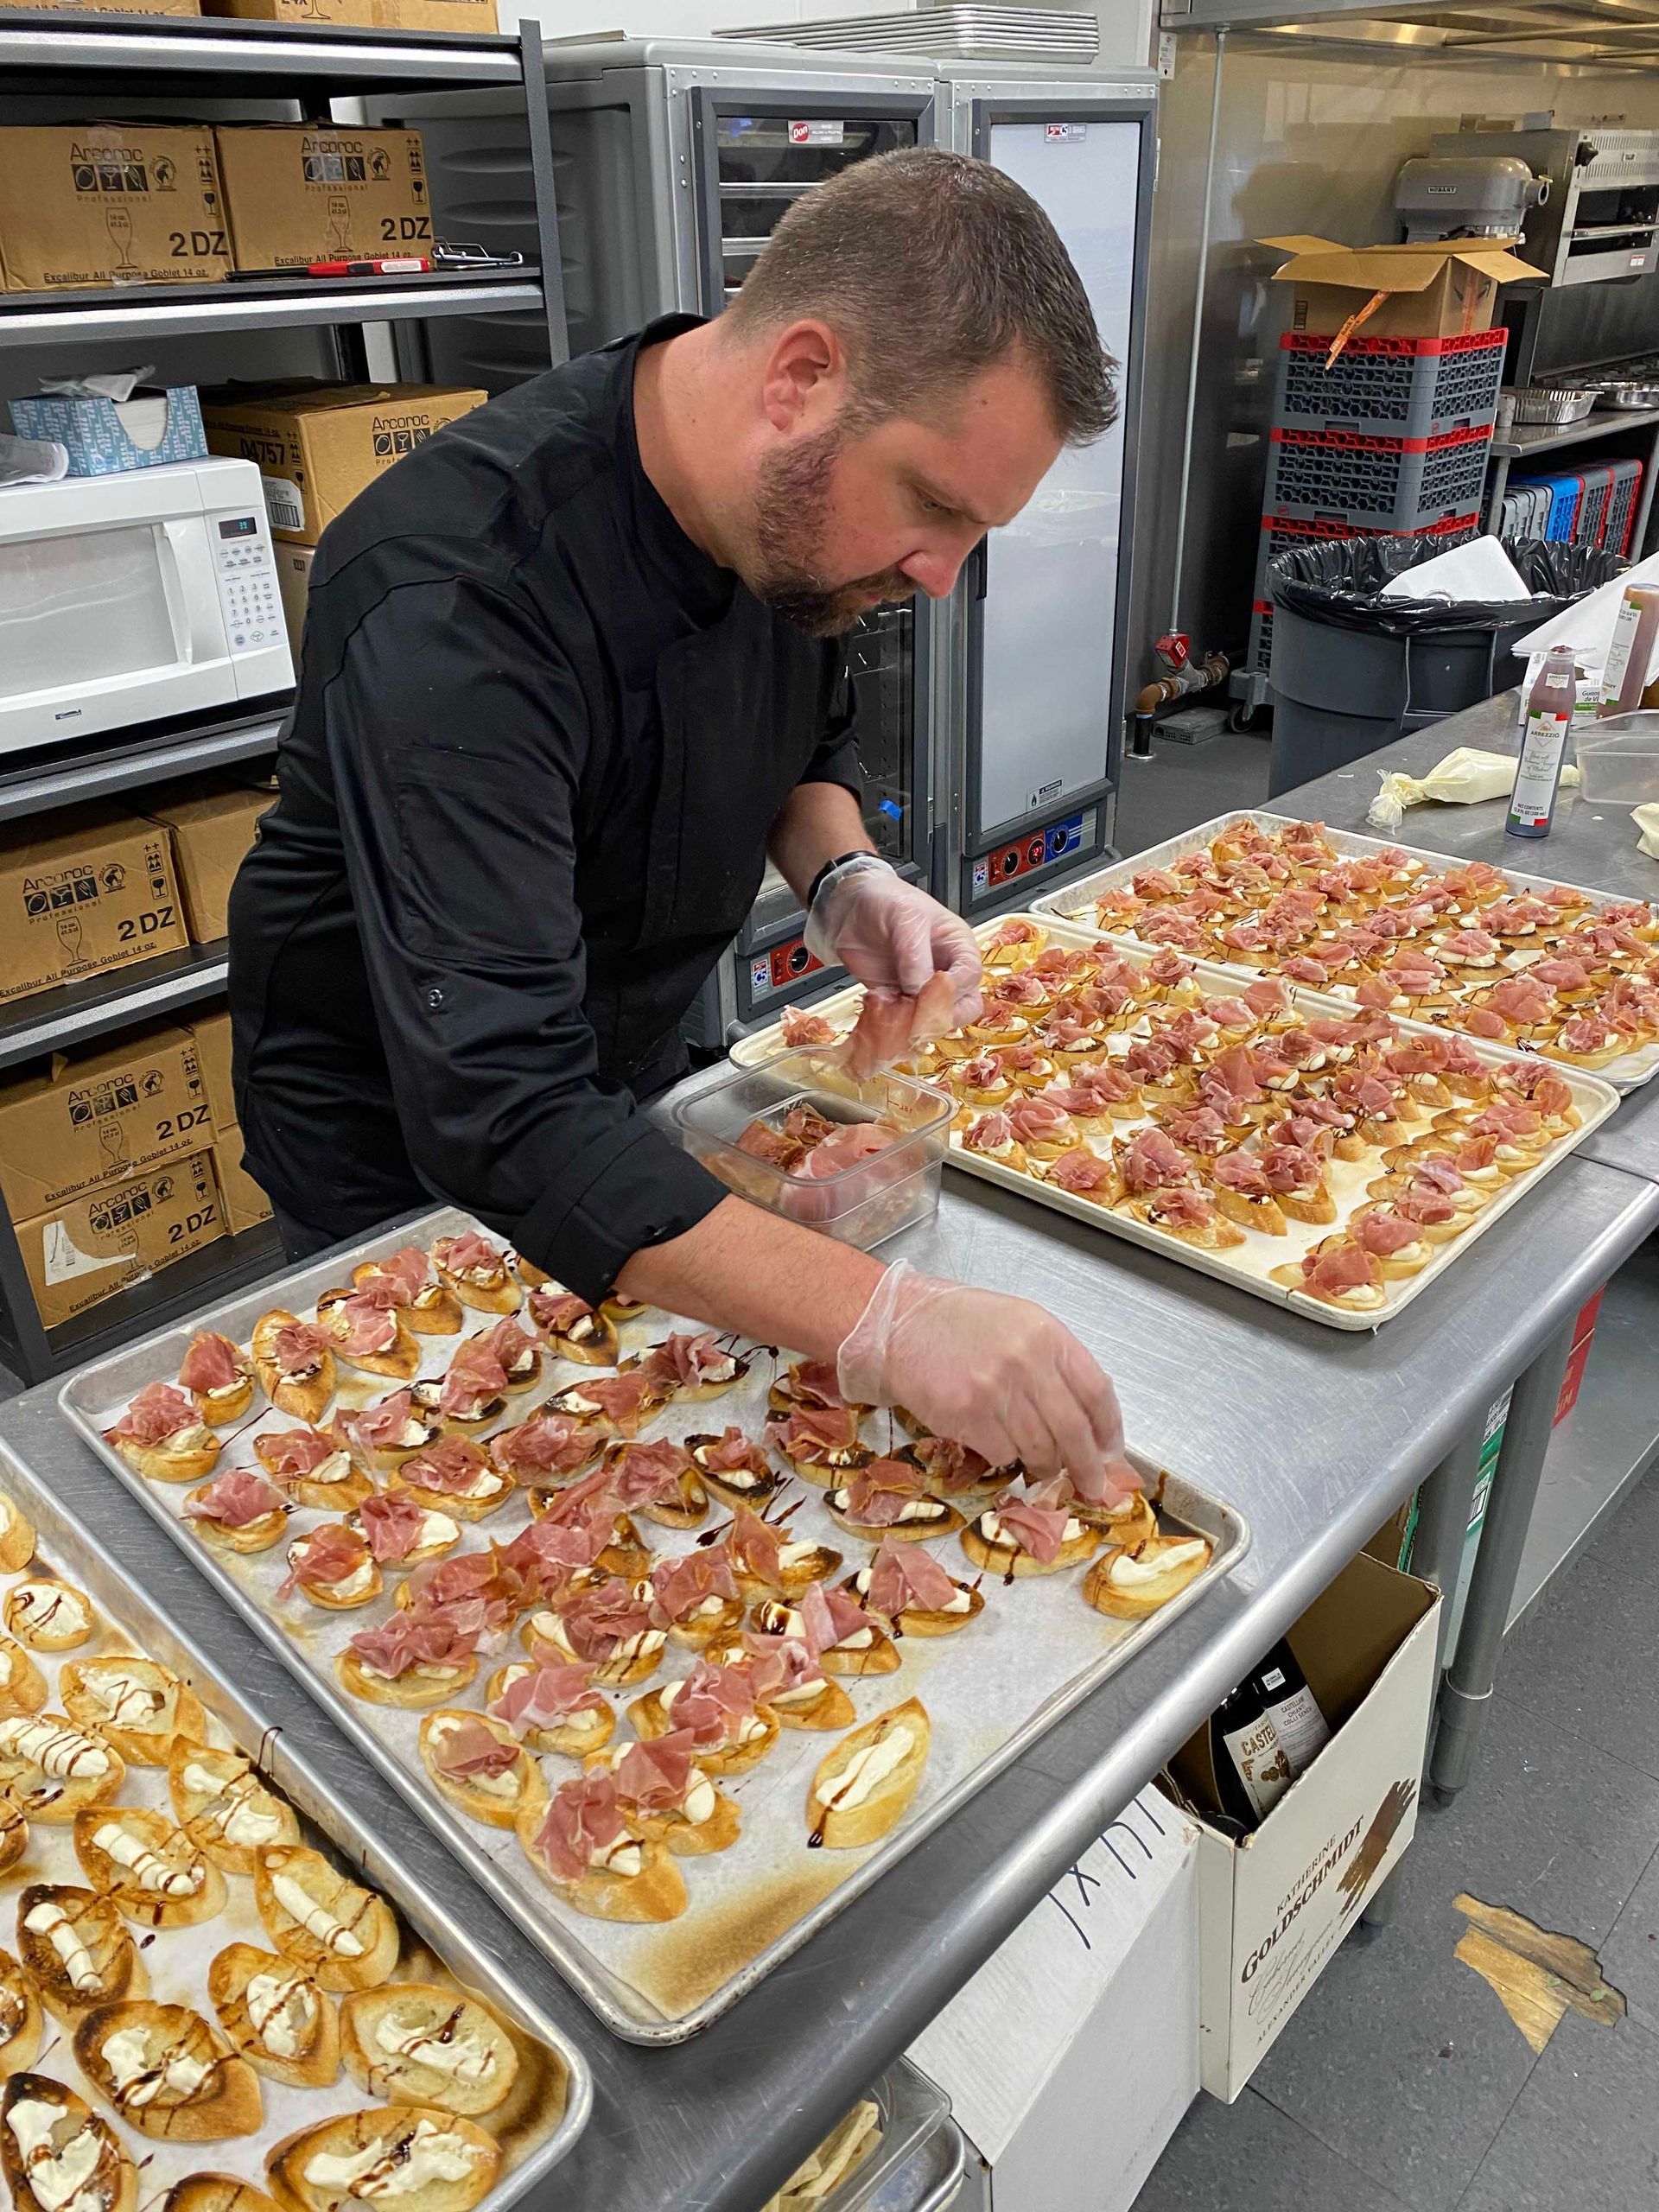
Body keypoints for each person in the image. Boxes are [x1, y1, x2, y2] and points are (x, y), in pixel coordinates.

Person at [228, 147, 1137, 1496]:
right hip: (404, 1137)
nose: (942, 578)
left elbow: (800, 741)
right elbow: (505, 1108)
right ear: (802, 376)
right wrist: (884, 1323)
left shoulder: (778, 516)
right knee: (442, 1500)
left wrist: (846, 880)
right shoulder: (457, 599)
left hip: (623, 1079)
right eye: (937, 507)